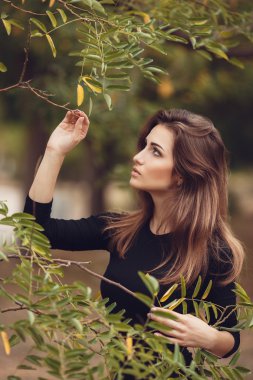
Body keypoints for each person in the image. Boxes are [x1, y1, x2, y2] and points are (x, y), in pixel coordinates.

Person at [23, 108, 244, 376]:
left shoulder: (212, 250)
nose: (137, 157)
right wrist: (54, 152)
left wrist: (209, 338)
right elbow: (35, 231)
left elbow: (230, 339)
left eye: (155, 151)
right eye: (145, 146)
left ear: (182, 175)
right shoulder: (119, 229)